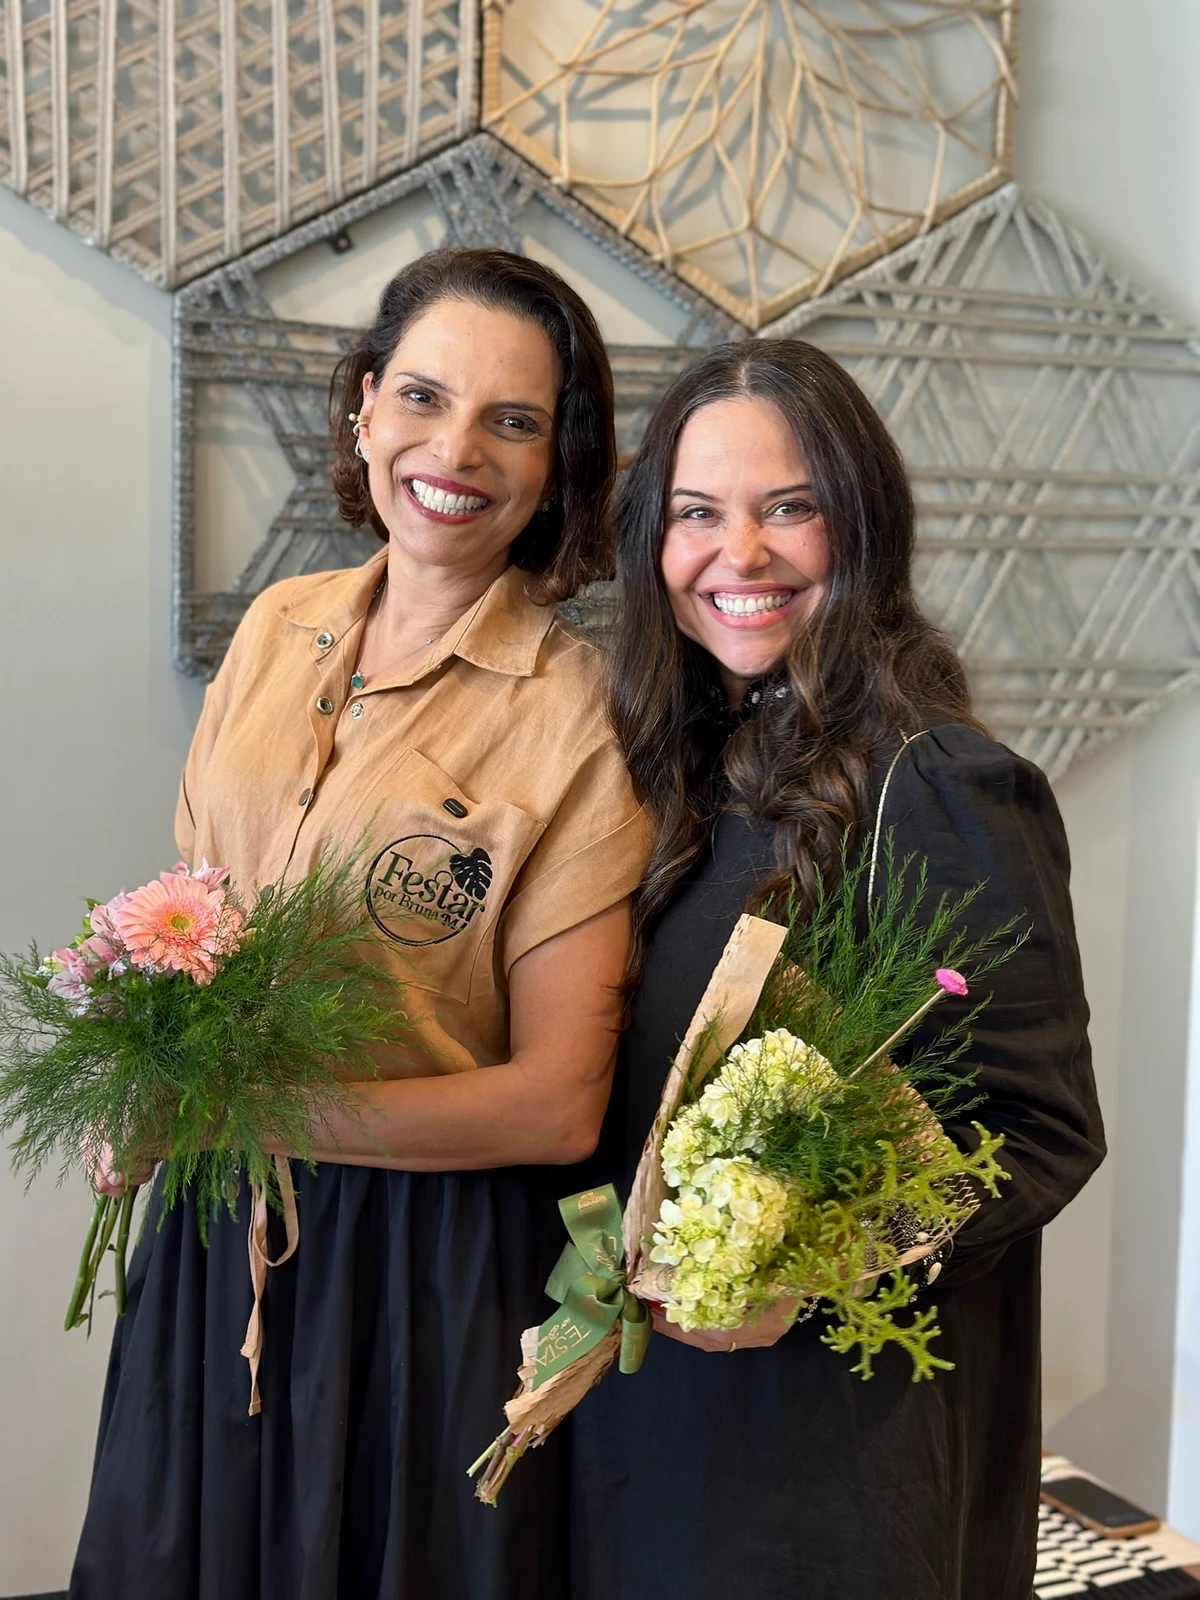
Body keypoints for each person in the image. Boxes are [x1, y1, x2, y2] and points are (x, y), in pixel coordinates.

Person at [71, 248, 650, 1600]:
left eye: (513, 421)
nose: (457, 450)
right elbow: (193, 910)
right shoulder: (279, 628)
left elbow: (561, 1106)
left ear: (559, 463)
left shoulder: (581, 715)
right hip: (219, 1240)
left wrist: (244, 1111)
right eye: (426, 399)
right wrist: (136, 1078)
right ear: (365, 408)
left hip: (428, 1285)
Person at [569, 339, 1105, 1600]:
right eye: (698, 513)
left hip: (833, 1467)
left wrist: (810, 1265)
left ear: (859, 526)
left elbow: (1039, 1129)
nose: (737, 554)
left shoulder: (942, 781)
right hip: (659, 1432)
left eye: (788, 507)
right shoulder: (673, 771)